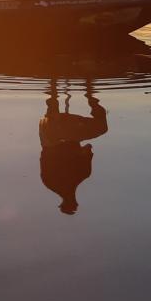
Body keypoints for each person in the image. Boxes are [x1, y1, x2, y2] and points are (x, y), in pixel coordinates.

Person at [39, 80, 107, 214]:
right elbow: (44, 155)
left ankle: (89, 95)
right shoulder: (48, 182)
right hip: (55, 135)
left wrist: (81, 147)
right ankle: (53, 96)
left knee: (102, 128)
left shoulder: (83, 174)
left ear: (75, 201)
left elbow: (88, 148)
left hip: (63, 134)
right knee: (49, 134)